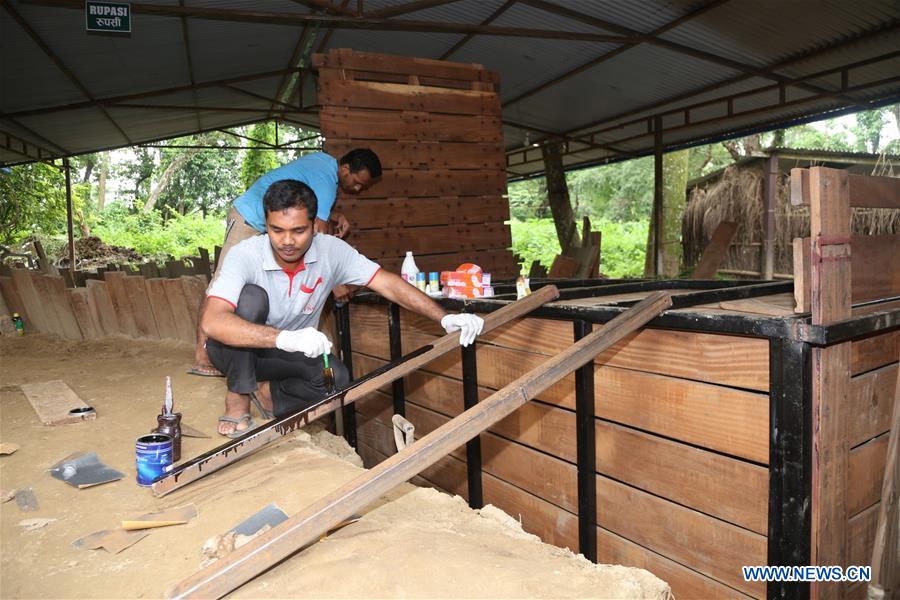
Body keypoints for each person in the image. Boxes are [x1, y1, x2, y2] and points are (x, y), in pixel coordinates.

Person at [203, 179, 483, 437]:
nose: (287, 241)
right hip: (231, 350)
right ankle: (238, 397)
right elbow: (213, 322)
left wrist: (444, 317)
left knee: (336, 380)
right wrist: (285, 338)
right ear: (266, 225)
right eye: (277, 230)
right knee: (252, 297)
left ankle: (267, 396)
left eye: (298, 230)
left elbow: (386, 283)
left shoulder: (331, 251)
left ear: (315, 225)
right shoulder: (245, 254)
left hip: (278, 356)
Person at [188, 148, 382, 377]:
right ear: (345, 169)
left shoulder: (323, 165)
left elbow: (304, 213)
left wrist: (335, 216)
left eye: (363, 187)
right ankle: (203, 354)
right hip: (249, 217)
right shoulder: (327, 177)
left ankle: (257, 361)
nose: (357, 189)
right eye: (357, 182)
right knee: (220, 285)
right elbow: (319, 231)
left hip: (269, 226)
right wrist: (335, 280)